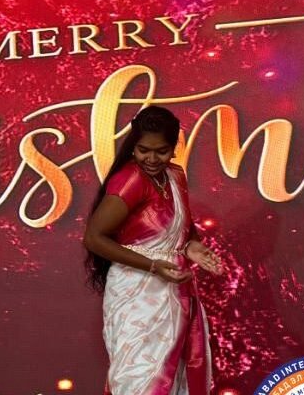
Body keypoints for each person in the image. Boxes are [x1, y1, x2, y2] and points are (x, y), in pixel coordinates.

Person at [82, 106, 223, 395]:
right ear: (133, 146)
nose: (151, 158)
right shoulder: (130, 179)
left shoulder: (175, 176)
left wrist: (191, 247)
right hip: (137, 292)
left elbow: (181, 227)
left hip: (174, 285)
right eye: (143, 150)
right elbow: (94, 238)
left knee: (176, 374)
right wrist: (152, 266)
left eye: (161, 151)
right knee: (140, 378)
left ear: (174, 148)